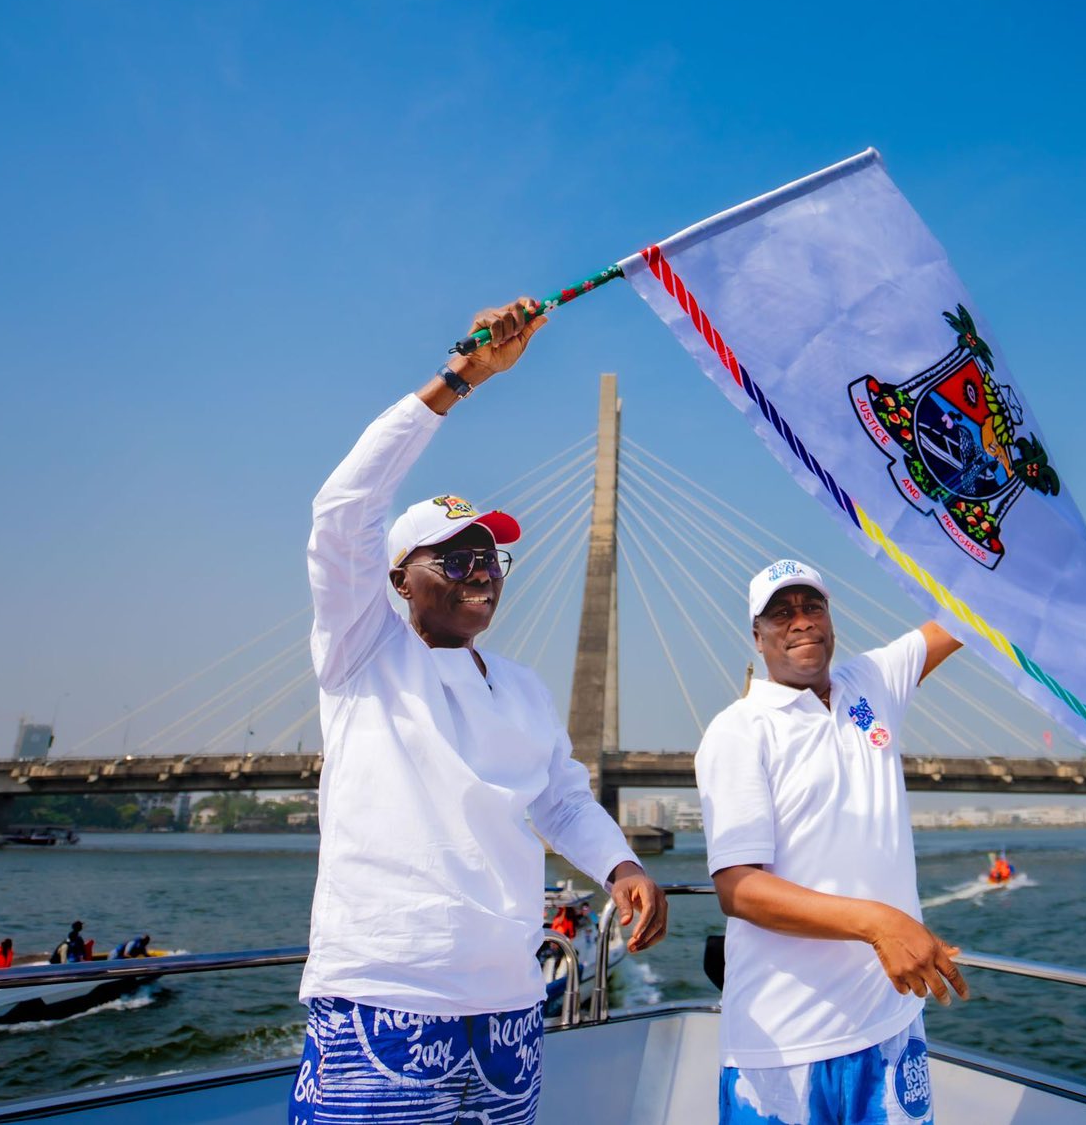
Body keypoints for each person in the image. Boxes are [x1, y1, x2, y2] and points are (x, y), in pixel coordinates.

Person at [291, 298, 666, 1125]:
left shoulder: (522, 689)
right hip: (385, 999)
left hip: (509, 1008)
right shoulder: (364, 654)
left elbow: (561, 799)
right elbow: (341, 511)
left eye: (492, 557)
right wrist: (462, 376)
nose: (482, 570)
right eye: (455, 557)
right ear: (397, 580)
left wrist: (621, 867)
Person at [697, 558, 967, 1124]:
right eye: (781, 613)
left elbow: (969, 617)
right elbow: (739, 889)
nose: (800, 622)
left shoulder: (868, 684)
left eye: (811, 607)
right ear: (758, 634)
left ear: (830, 620)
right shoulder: (739, 730)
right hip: (786, 1047)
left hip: (891, 1029)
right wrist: (880, 923)